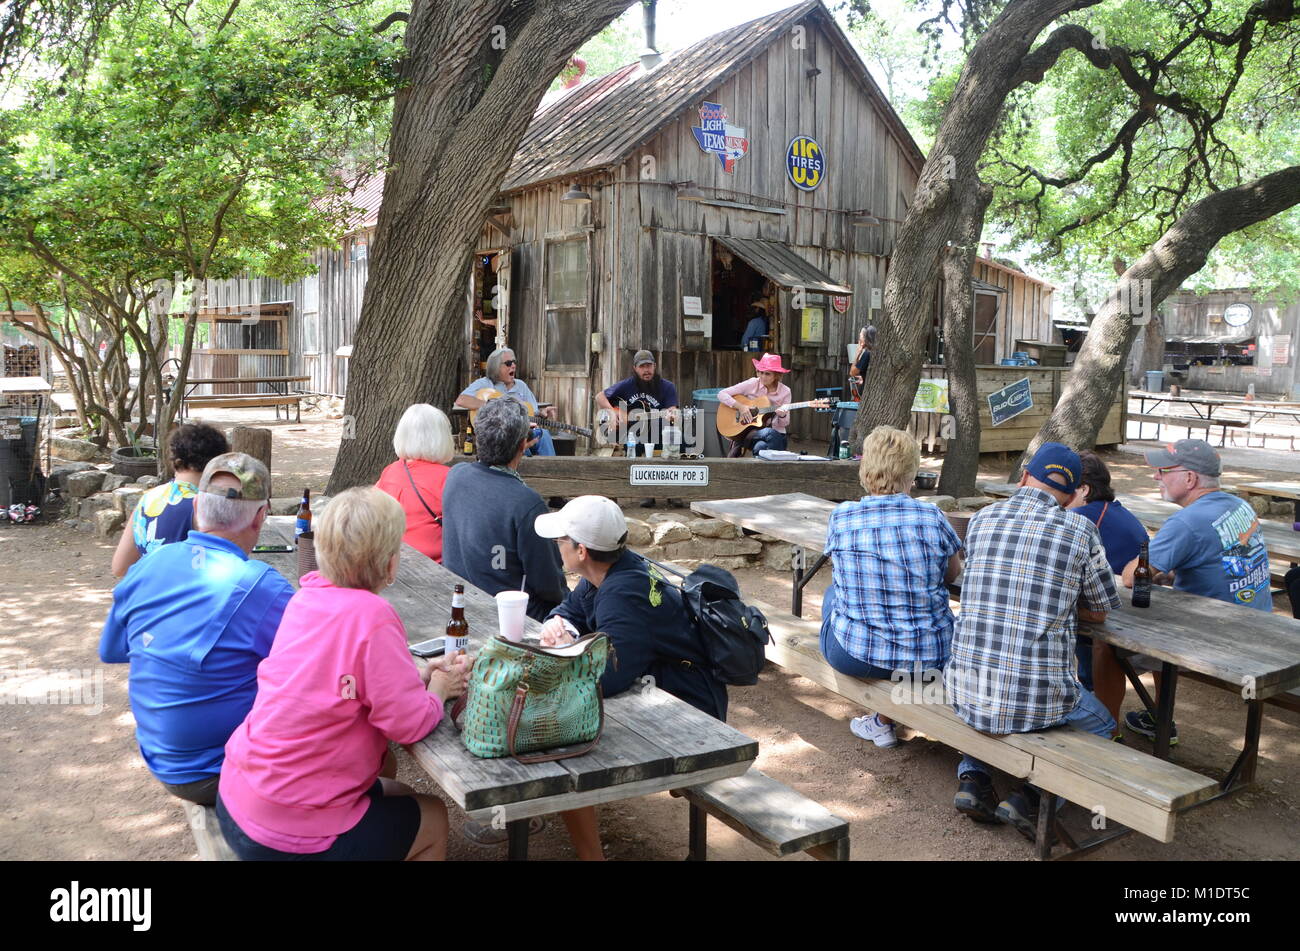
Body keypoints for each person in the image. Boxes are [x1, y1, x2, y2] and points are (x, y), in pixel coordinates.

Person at [216, 487, 470, 861]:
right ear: (388, 563)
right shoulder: (373, 616)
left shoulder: (304, 598)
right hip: (287, 833)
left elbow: (334, 680)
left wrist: (415, 677)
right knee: (432, 817)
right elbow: (408, 725)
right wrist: (439, 690)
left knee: (395, 790)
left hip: (238, 798)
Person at [535, 495, 728, 861]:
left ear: (581, 550)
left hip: (692, 710)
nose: (556, 546)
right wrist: (557, 626)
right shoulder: (610, 569)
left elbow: (606, 678)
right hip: (667, 688)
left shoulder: (622, 593)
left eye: (560, 540)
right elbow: (570, 609)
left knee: (561, 747)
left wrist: (568, 651)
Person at [943, 443, 1119, 840]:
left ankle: (974, 779)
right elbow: (1102, 609)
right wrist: (1060, 603)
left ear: (1023, 477)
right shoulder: (1080, 530)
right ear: (1073, 496)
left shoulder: (983, 519)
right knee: (1104, 724)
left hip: (964, 687)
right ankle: (1032, 798)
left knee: (989, 691)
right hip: (1036, 699)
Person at [99, 453, 293, 807]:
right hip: (223, 769)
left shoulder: (148, 565)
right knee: (361, 747)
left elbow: (113, 649)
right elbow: (317, 669)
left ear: (198, 504)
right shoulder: (264, 587)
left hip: (162, 756)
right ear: (261, 516)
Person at [1119, 439, 1272, 745]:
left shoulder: (1187, 521)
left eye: (1163, 470)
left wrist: (1154, 569)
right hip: (1258, 626)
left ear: (1189, 478)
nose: (1156, 476)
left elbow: (1129, 577)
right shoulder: (1239, 505)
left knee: (1106, 648)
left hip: (1219, 639)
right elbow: (1224, 559)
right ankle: (1159, 716)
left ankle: (1105, 729)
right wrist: (1174, 571)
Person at [821, 426, 964, 749]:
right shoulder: (932, 516)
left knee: (833, 595)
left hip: (857, 655)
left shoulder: (842, 517)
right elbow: (952, 574)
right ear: (911, 471)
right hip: (929, 656)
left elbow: (843, 574)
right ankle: (881, 720)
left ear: (866, 468)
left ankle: (880, 722)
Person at [441, 397, 567, 620]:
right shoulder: (526, 502)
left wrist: (513, 436)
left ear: (479, 437)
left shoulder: (455, 476)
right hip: (510, 615)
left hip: (461, 602)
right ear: (523, 445)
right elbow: (550, 586)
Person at [1065, 450, 1149, 727]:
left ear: (1084, 489)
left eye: (1066, 485)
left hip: (1114, 618)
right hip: (1134, 608)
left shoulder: (1080, 517)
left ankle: (1099, 719)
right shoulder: (1116, 510)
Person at [111, 423, 230, 577]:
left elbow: (120, 567)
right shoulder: (205, 506)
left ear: (175, 460)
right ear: (218, 464)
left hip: (149, 596)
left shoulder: (148, 499)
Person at [596, 349, 680, 507]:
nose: (646, 370)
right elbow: (599, 396)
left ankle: (672, 490)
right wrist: (612, 413)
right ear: (635, 368)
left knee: (673, 436)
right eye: (642, 367)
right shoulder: (627, 385)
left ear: (655, 366)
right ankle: (646, 491)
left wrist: (672, 414)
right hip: (632, 434)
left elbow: (672, 410)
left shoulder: (667, 387)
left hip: (658, 430)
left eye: (649, 366)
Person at [375, 404, 455, 562]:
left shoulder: (390, 471)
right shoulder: (449, 477)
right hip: (435, 565)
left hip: (393, 560)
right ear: (441, 437)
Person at [454, 347, 556, 456]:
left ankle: (551, 471)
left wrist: (542, 413)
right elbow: (461, 400)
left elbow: (532, 412)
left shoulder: (521, 385)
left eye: (514, 362)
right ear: (496, 368)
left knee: (543, 434)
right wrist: (492, 405)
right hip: (498, 435)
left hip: (523, 432)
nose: (513, 365)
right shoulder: (485, 383)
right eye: (508, 363)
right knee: (517, 441)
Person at [719, 352, 793, 456]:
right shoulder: (752, 383)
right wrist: (741, 407)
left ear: (777, 375)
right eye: (760, 372)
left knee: (760, 447)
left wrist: (782, 415)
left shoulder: (785, 391)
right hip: (752, 432)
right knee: (769, 433)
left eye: (767, 373)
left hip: (777, 434)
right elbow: (722, 394)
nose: (762, 376)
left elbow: (784, 424)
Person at [848, 325, 876, 390]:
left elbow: (852, 372)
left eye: (860, 336)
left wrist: (857, 353)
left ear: (865, 338)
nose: (859, 339)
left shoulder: (867, 354)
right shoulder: (876, 352)